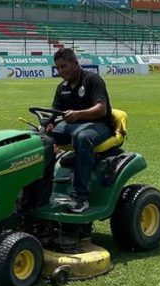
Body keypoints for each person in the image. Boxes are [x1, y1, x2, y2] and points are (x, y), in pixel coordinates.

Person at [48, 48, 114, 213]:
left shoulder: (93, 80)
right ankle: (41, 188)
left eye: (64, 67)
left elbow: (101, 109)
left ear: (75, 64)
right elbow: (54, 111)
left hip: (99, 125)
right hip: (72, 126)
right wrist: (47, 124)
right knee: (38, 138)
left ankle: (81, 197)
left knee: (82, 137)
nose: (60, 71)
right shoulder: (61, 87)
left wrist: (78, 115)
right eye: (58, 68)